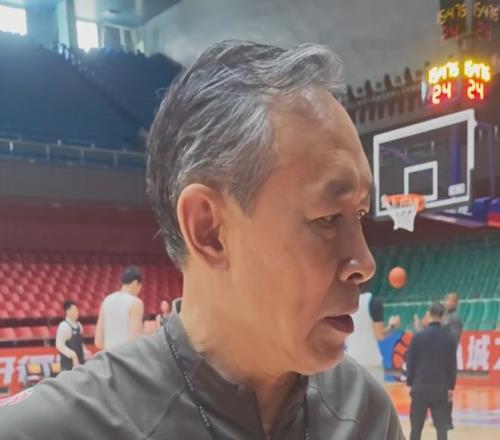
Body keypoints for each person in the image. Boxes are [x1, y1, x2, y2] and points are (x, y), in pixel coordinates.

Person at [0, 40, 404, 439]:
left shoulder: (366, 411)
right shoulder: (46, 430)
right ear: (209, 231)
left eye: (360, 214)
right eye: (328, 218)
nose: (365, 262)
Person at [406, 302, 457, 440]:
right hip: (440, 389)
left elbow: (410, 361)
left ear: (428, 314)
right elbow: (452, 365)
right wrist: (451, 387)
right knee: (441, 430)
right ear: (443, 316)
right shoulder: (449, 338)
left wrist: (409, 382)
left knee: (416, 429)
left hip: (419, 387)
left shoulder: (418, 337)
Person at [346, 288, 401, 382]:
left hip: (352, 361)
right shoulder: (374, 302)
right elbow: (380, 335)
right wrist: (392, 326)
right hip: (372, 362)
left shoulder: (345, 304)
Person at [94, 265, 144, 350]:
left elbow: (98, 342)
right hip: (126, 356)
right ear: (135, 283)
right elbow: (133, 341)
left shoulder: (106, 300)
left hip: (108, 355)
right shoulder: (136, 303)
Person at [55, 301, 91, 371]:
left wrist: (85, 351)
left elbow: (80, 343)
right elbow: (59, 345)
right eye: (74, 310)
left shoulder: (79, 326)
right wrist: (72, 355)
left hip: (80, 363)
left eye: (77, 310)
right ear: (68, 312)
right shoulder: (64, 326)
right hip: (68, 365)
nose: (77, 312)